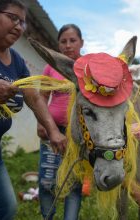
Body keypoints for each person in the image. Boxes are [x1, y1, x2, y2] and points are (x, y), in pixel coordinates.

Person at [0, 1, 67, 219]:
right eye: (13, 18)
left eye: (23, 23)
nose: (19, 27)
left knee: (5, 211)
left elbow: (34, 98)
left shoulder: (17, 61)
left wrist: (53, 131)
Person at [37, 24, 84, 220]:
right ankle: (48, 217)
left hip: (78, 134)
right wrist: (41, 122)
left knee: (73, 183)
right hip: (52, 130)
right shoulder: (51, 66)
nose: (67, 45)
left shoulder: (87, 67)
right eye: (63, 41)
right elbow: (42, 96)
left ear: (81, 42)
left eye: (72, 40)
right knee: (47, 181)